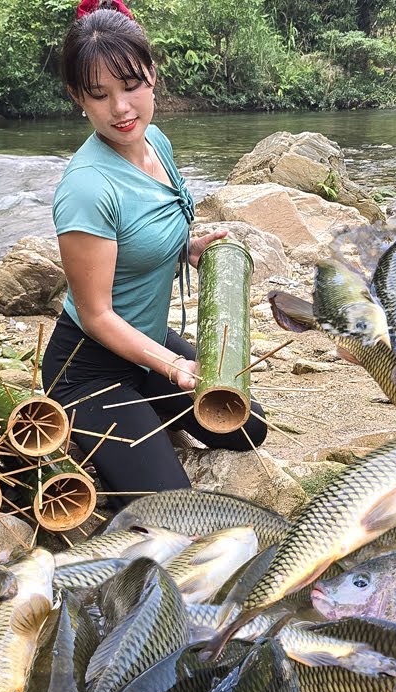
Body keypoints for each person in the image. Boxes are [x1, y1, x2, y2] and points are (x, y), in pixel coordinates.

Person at [41, 0, 267, 505]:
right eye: (100, 95)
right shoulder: (86, 188)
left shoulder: (156, 142)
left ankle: (145, 402)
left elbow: (144, 231)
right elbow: (97, 316)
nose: (121, 109)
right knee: (172, 508)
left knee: (246, 427)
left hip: (144, 344)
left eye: (131, 86)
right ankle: (124, 414)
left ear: (152, 76)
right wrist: (172, 366)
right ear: (79, 98)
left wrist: (186, 247)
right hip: (88, 365)